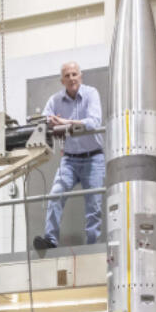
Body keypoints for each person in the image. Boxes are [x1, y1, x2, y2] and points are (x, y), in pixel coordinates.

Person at [33, 61, 103, 250]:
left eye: (74, 74)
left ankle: (92, 247)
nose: (71, 78)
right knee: (56, 194)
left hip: (93, 158)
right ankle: (50, 240)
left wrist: (64, 122)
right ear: (62, 80)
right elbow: (44, 121)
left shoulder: (91, 94)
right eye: (67, 76)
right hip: (70, 159)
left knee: (94, 205)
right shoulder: (55, 100)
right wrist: (50, 123)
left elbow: (93, 122)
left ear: (81, 76)